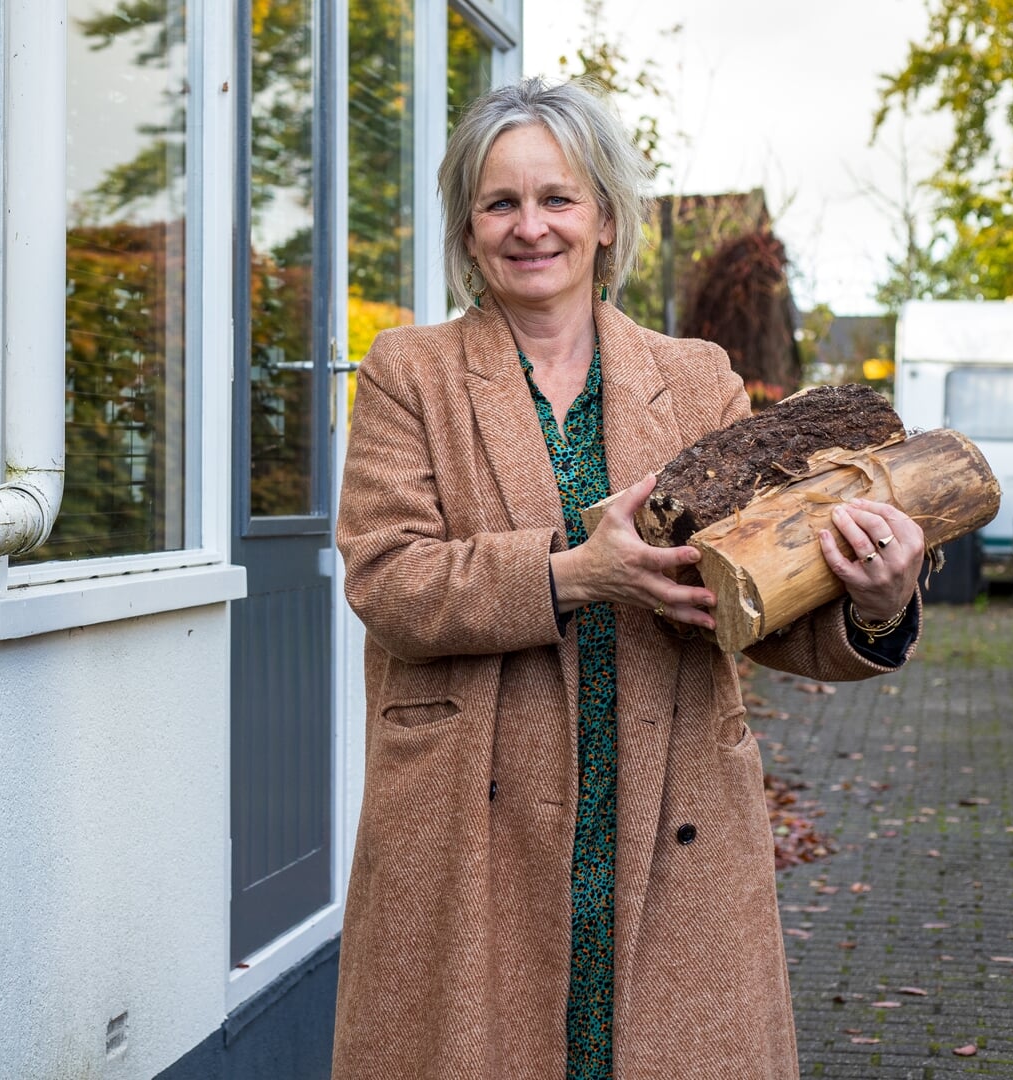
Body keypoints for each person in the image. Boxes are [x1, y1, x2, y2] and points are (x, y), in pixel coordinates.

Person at [330, 77, 926, 1080]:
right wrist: (575, 573)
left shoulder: (696, 379)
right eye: (500, 203)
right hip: (473, 820)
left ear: (606, 217)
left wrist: (876, 599)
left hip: (669, 812)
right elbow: (389, 578)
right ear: (467, 228)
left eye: (557, 199)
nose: (531, 227)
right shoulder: (409, 372)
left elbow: (764, 604)